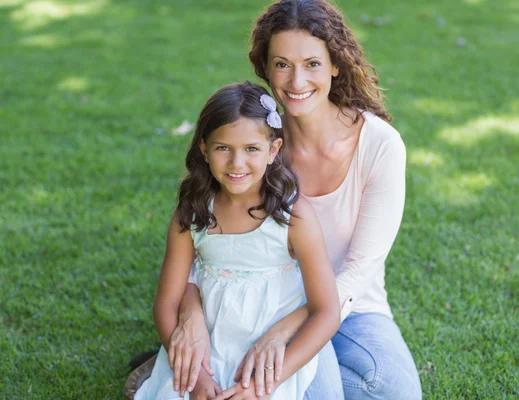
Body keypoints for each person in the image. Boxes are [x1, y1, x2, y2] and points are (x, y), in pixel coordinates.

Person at [127, 0, 423, 399]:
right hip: (248, 302)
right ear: (265, 68)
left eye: (312, 64)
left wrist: (285, 329)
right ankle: (189, 362)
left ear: (335, 64)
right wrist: (190, 308)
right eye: (282, 64)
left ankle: (215, 366)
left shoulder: (379, 145)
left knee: (389, 392)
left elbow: (361, 269)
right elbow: (210, 238)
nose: (296, 80)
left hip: (343, 305)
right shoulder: (251, 143)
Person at [133, 81, 340, 400]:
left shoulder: (293, 217)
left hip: (271, 356)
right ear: (204, 149)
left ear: (273, 150)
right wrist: (199, 378)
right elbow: (166, 304)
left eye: (251, 149)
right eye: (222, 148)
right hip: (208, 349)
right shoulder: (192, 214)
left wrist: (264, 386)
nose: (236, 163)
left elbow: (326, 311)